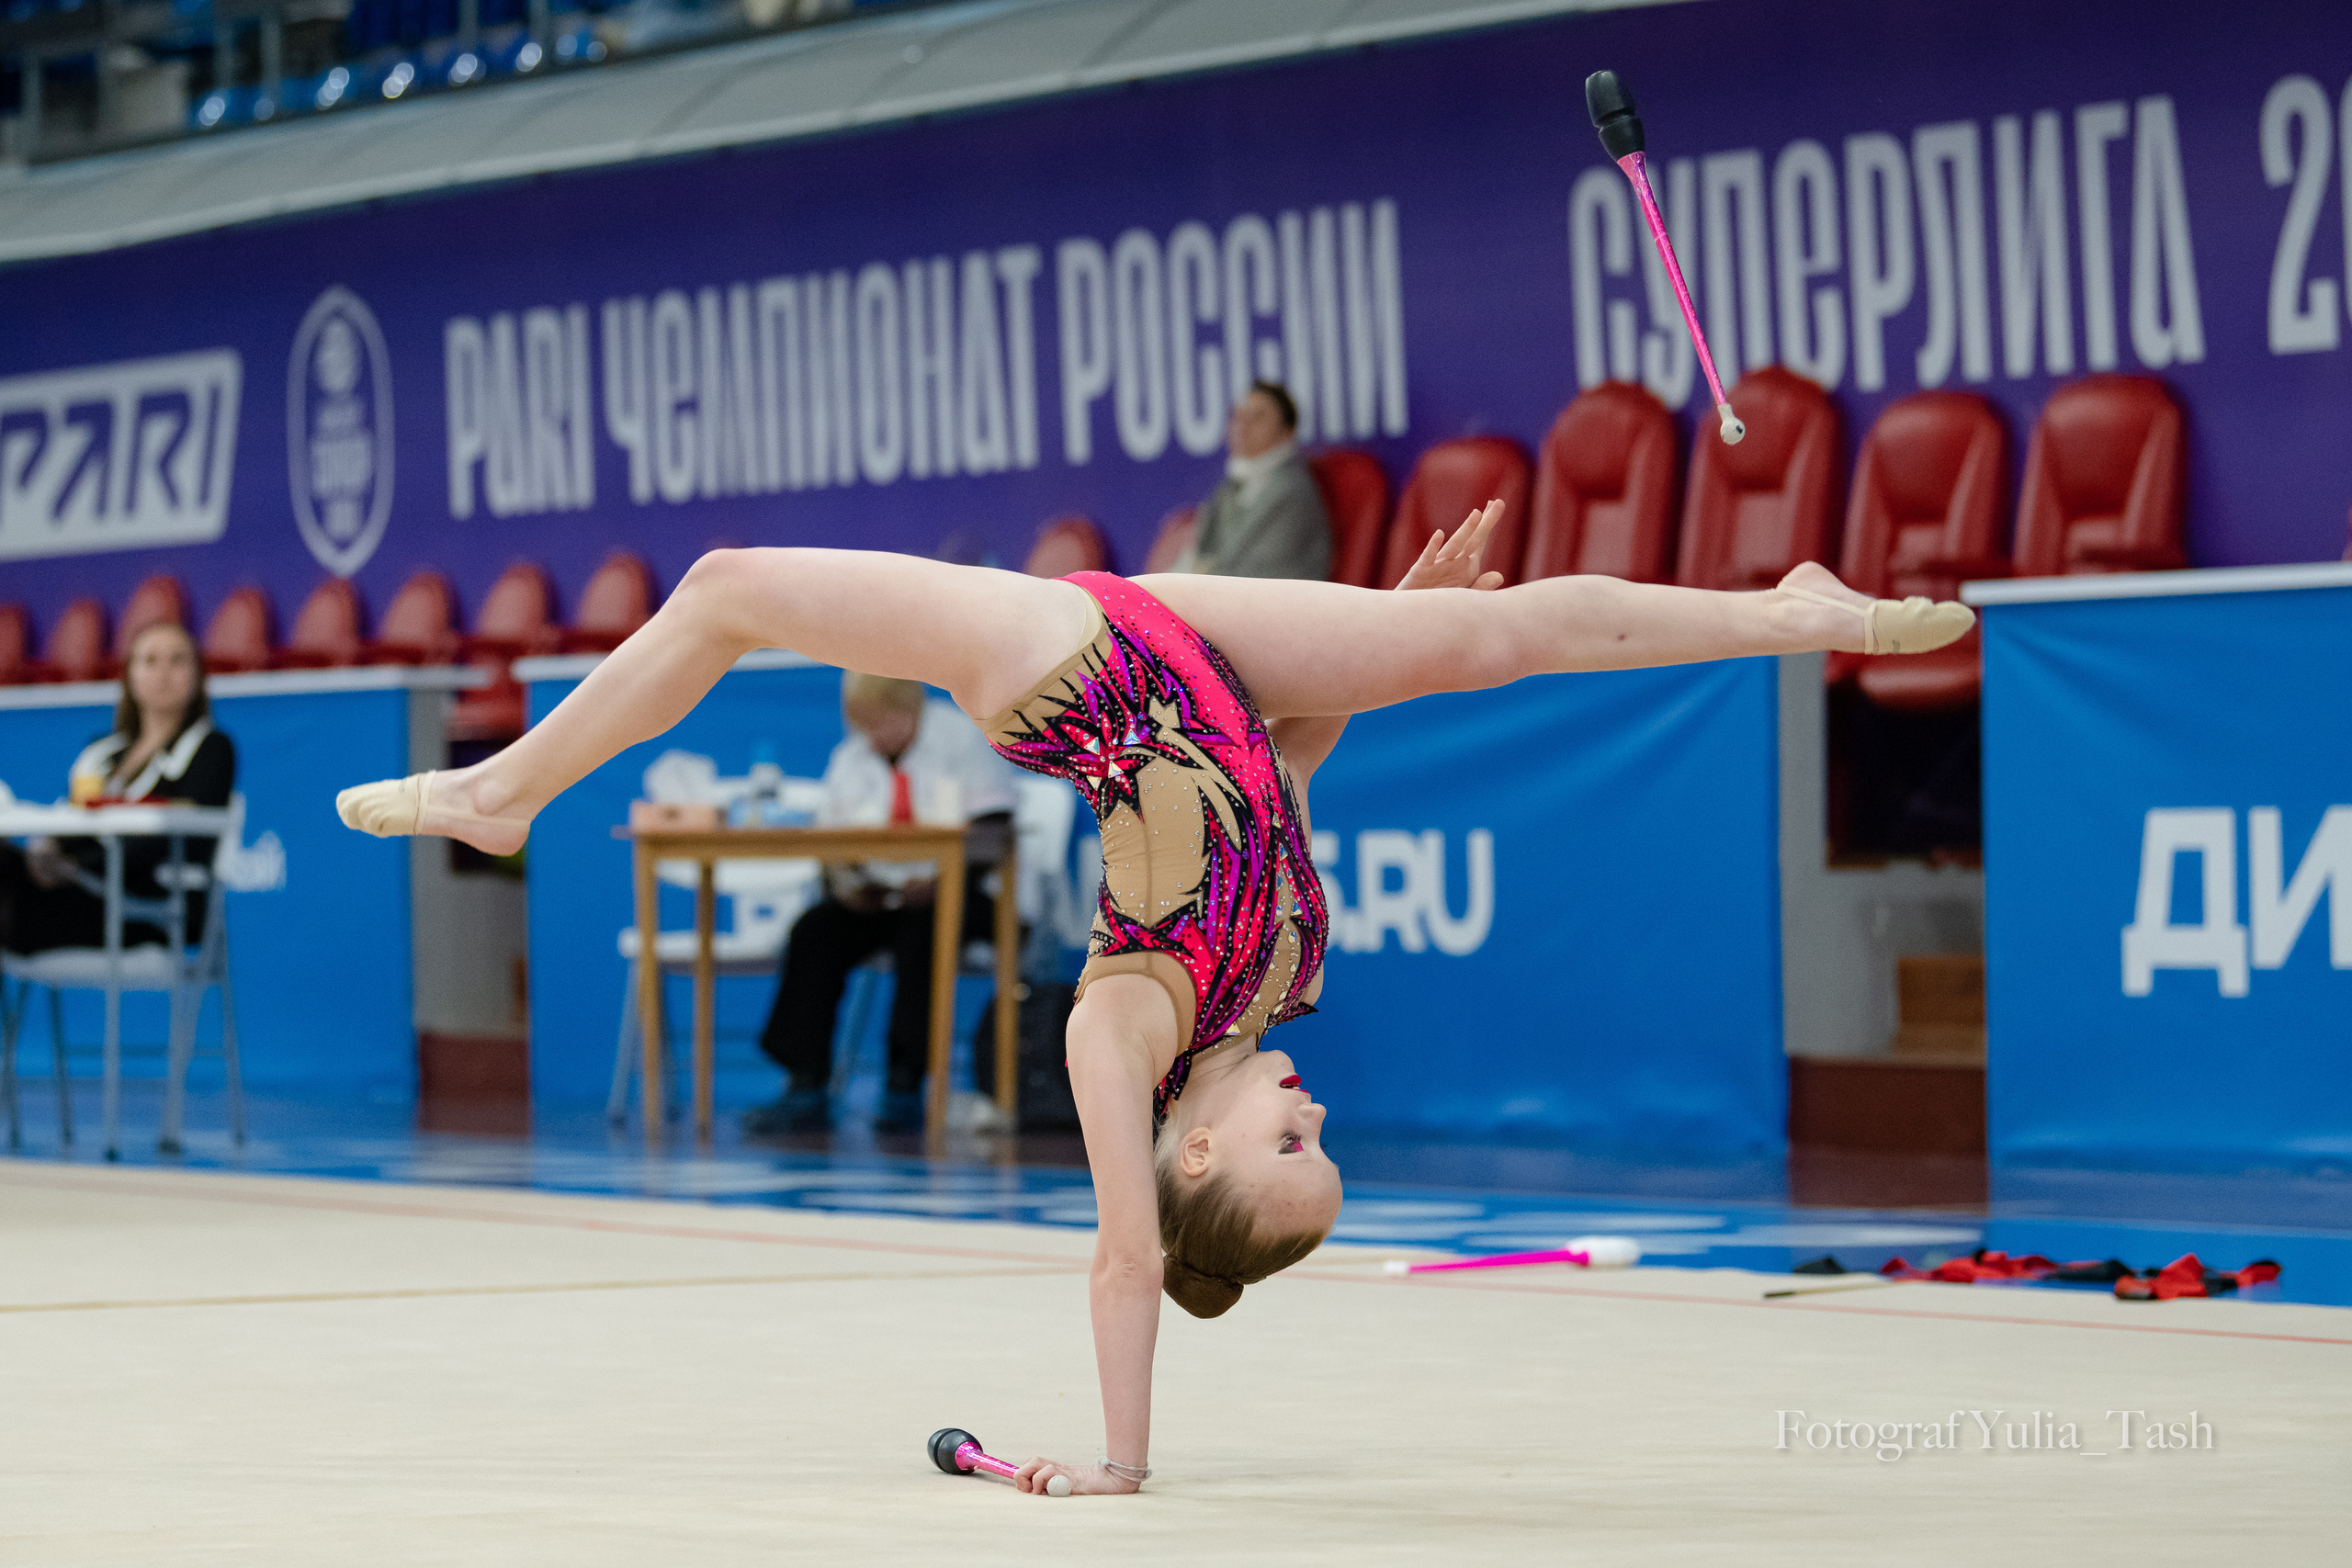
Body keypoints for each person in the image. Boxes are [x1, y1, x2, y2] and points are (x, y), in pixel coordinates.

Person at [334, 502, 1972, 1495]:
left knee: (728, 582)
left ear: (1197, 1157)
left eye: (1292, 1148)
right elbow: (1284, 773)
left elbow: (1126, 1260)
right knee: (1494, 638)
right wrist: (1397, 628)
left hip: (1073, 671)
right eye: (1319, 1135)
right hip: (1216, 661)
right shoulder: (1279, 979)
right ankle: (1794, 613)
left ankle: (512, 793)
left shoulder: (1122, 1021)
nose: (1314, 1110)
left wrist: (1123, 1454)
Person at [745, 671, 1019, 1136]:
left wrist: (941, 881)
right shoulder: (850, 757)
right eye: (862, 724)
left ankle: (903, 1085)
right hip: (880, 896)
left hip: (959, 893)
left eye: (882, 721)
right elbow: (831, 841)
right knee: (815, 931)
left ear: (910, 709)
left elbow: (993, 830)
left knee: (924, 934)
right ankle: (805, 1081)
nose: (872, 735)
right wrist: (847, 884)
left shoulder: (961, 737)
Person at [1, 621, 236, 955]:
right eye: (150, 660)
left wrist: (81, 867)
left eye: (178, 660)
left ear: (198, 676)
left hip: (150, 908)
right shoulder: (101, 751)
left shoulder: (211, 748)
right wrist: (49, 849)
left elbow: (184, 839)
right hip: (78, 891)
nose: (163, 672)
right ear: (129, 675)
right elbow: (72, 819)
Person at [1171, 380, 1331, 581]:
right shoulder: (1230, 487)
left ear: (1287, 431)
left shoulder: (1293, 492)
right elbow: (1201, 554)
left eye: (1258, 417)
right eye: (1238, 417)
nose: (1243, 426)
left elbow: (1268, 577)